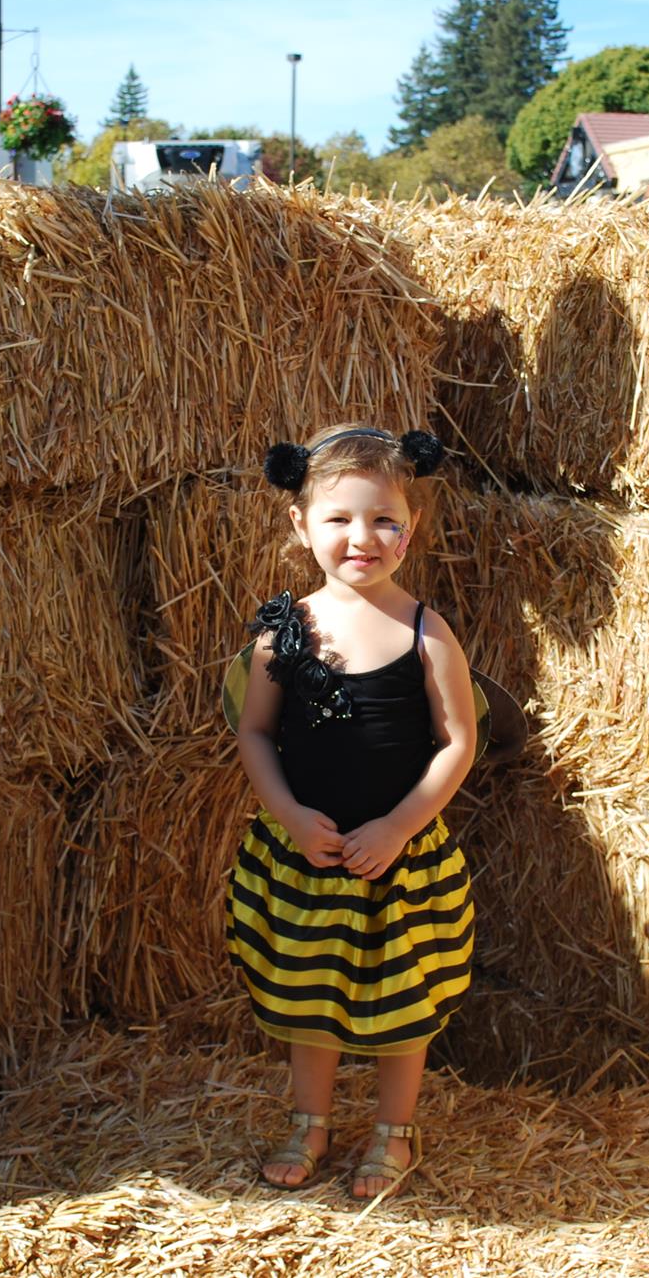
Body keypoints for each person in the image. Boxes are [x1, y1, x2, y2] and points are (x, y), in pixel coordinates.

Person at [227, 425, 477, 1199]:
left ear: (412, 526)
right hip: (310, 858)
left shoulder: (426, 635)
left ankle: (392, 1131)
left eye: (382, 519)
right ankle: (312, 1120)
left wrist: (401, 825)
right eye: (337, 519)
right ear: (300, 525)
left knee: (402, 1005)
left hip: (398, 863)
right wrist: (293, 818)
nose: (360, 537)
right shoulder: (284, 633)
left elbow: (457, 742)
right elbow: (256, 732)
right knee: (311, 1000)